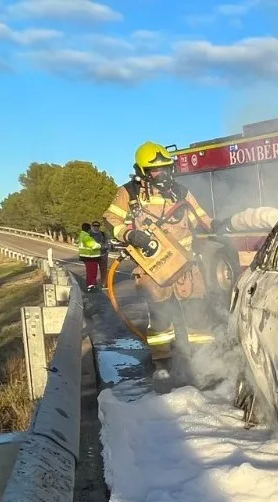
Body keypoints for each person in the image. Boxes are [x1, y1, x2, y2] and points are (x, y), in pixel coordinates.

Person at [103, 141, 215, 351]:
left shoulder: (181, 192)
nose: (162, 174)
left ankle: (206, 361)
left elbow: (201, 217)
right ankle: (162, 361)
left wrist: (218, 226)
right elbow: (111, 220)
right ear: (142, 172)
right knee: (160, 320)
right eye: (155, 170)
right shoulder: (129, 193)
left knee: (197, 315)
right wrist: (131, 234)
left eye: (165, 168)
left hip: (185, 267)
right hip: (153, 267)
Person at [76, 222, 102, 290]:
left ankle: (91, 285)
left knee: (90, 272)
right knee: (92, 272)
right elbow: (94, 246)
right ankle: (91, 286)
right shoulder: (86, 237)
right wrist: (100, 245)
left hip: (87, 257)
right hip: (90, 257)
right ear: (88, 229)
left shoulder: (82, 235)